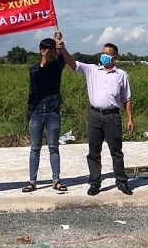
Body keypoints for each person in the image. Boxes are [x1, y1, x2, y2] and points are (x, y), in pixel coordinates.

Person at [59, 40, 134, 196]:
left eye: (107, 53)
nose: (103, 55)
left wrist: (130, 119)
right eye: (103, 52)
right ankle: (95, 182)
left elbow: (127, 99)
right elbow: (72, 63)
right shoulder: (92, 70)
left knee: (116, 151)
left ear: (114, 57)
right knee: (93, 151)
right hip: (95, 115)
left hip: (112, 116)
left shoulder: (121, 75)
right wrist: (63, 49)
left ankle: (121, 181)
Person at [22, 33, 68, 193]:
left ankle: (56, 180)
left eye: (55, 52)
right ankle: (32, 181)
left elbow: (64, 58)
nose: (53, 54)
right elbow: (32, 90)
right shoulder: (33, 69)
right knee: (35, 148)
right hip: (36, 112)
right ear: (42, 51)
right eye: (51, 51)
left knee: (53, 147)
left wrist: (59, 42)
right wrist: (28, 110)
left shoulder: (56, 66)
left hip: (52, 111)